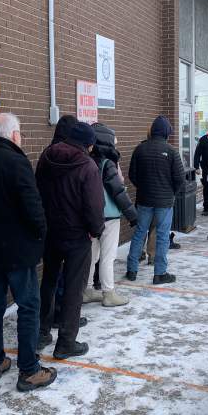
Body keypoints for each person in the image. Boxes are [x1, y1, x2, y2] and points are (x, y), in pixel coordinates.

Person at [0, 113, 57, 392]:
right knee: (29, 306)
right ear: (13, 135)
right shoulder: (17, 162)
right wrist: (41, 233)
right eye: (20, 132)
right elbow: (32, 206)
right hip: (19, 251)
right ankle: (29, 369)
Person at [37, 122, 104, 359]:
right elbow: (94, 205)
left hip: (51, 231)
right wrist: (96, 229)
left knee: (49, 281)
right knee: (74, 288)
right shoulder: (87, 166)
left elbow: (38, 191)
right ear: (88, 144)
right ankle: (66, 342)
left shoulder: (46, 157)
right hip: (77, 236)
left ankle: (41, 331)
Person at [82, 123, 137, 307]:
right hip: (109, 217)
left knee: (92, 255)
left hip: (91, 216)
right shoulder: (108, 164)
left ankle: (87, 289)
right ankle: (108, 293)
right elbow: (118, 192)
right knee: (108, 256)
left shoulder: (86, 161)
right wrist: (132, 215)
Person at [125, 116, 185, 284]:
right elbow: (180, 178)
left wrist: (143, 188)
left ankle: (131, 270)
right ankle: (159, 273)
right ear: (166, 133)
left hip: (144, 200)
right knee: (162, 236)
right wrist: (171, 192)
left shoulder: (140, 149)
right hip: (164, 203)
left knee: (139, 232)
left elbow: (132, 175)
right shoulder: (171, 151)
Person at [193, 123, 208, 216]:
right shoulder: (203, 140)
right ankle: (206, 208)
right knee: (207, 188)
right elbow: (197, 154)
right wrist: (196, 167)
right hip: (207, 169)